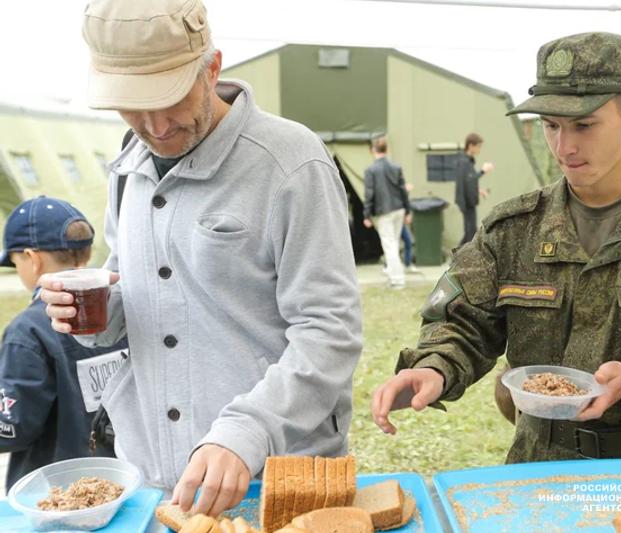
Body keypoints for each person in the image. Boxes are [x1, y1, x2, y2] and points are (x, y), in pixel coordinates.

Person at [371, 32, 621, 468]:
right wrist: (434, 366)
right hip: (538, 467)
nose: (564, 146)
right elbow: (462, 322)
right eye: (551, 125)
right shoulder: (513, 230)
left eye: (584, 125)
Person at [40, 0, 361, 517]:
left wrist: (248, 430)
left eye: (170, 99)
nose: (155, 126)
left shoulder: (291, 164)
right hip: (156, 478)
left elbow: (330, 331)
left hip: (274, 478)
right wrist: (96, 316)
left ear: (211, 68)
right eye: (132, 107)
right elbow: (136, 292)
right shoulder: (127, 167)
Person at [0, 196, 128, 490]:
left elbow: (13, 428)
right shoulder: (116, 310)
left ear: (32, 259)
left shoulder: (28, 331)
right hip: (120, 483)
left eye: (16, 263)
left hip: (57, 495)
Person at [363, 136, 412, 289]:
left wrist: (366, 214)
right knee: (394, 244)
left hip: (383, 212)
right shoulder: (396, 167)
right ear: (387, 149)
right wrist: (408, 211)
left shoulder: (370, 170)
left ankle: (397, 280)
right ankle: (393, 275)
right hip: (399, 209)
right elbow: (403, 190)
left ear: (373, 150)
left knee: (389, 246)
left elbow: (369, 194)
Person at [454, 133, 494, 246]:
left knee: (470, 233)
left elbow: (468, 181)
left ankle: (457, 255)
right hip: (466, 203)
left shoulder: (468, 161)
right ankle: (459, 255)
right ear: (471, 146)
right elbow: (465, 181)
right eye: (478, 146)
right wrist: (482, 171)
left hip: (470, 202)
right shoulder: (463, 162)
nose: (479, 149)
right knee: (470, 234)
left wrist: (478, 190)